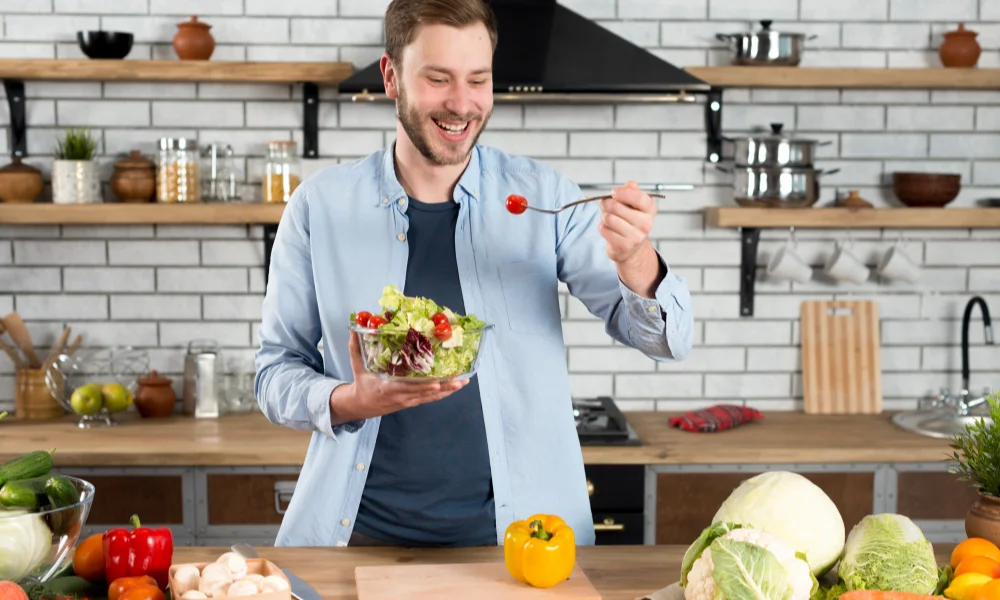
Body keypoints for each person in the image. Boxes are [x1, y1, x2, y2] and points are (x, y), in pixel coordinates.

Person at [254, 0, 694, 549]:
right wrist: (349, 400)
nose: (461, 105)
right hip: (357, 540)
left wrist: (635, 259)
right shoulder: (319, 207)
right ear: (392, 77)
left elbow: (668, 341)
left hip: (526, 548)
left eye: (478, 80)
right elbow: (273, 374)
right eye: (438, 79)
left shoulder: (545, 199)